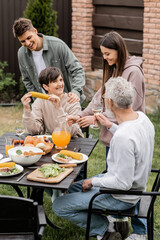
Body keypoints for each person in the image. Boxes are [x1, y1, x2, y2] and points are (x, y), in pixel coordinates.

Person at [52, 77, 155, 240]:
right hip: (137, 185)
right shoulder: (143, 119)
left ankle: (105, 228)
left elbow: (123, 183)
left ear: (111, 102)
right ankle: (109, 224)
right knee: (72, 188)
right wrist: (110, 125)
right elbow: (131, 137)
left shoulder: (123, 137)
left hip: (122, 196)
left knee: (59, 205)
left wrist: (93, 182)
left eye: (104, 99)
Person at [67, 31, 146, 239]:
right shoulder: (114, 70)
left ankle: (140, 231)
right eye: (102, 54)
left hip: (127, 136)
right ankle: (117, 223)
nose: (105, 58)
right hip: (114, 135)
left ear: (118, 50)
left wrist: (95, 120)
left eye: (108, 53)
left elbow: (132, 109)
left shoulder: (133, 73)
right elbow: (98, 100)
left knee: (130, 185)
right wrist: (80, 115)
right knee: (120, 180)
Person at [13, 18, 86, 104]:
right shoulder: (21, 54)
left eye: (29, 37)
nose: (28, 43)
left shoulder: (58, 45)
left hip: (69, 102)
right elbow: (27, 80)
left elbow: (77, 70)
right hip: (45, 105)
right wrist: (38, 101)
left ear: (35, 31)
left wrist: (76, 91)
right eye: (23, 41)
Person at [21, 66, 83, 138]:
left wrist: (59, 108)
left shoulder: (72, 100)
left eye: (61, 80)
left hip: (73, 141)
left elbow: (70, 132)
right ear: (46, 87)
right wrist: (27, 110)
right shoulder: (39, 102)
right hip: (51, 141)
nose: (60, 84)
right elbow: (34, 130)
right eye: (55, 81)